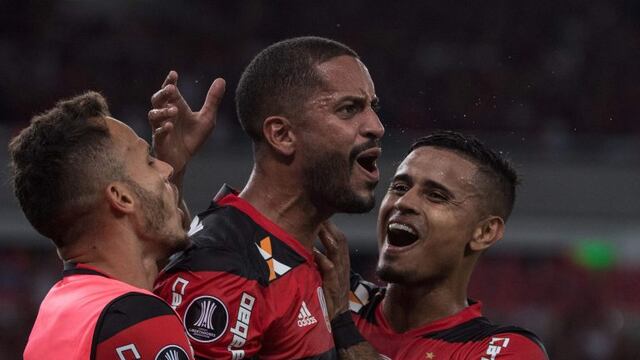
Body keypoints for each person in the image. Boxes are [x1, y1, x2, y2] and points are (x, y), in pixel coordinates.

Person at [149, 36, 383, 359]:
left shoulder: (313, 261)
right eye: (349, 109)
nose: (376, 126)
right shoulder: (224, 273)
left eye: (373, 107)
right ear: (282, 135)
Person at [10, 92, 202, 359]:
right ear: (121, 197)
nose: (167, 169)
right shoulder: (134, 319)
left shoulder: (57, 312)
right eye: (149, 161)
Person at [345, 131, 548, 359]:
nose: (404, 202)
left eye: (436, 196)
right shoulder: (334, 294)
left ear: (485, 232)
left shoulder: (506, 350)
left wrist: (343, 333)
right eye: (400, 187)